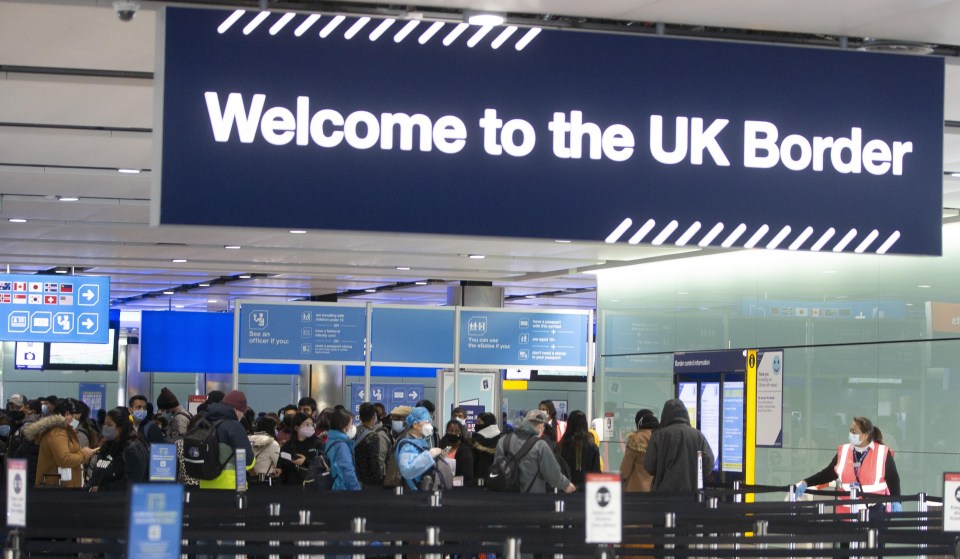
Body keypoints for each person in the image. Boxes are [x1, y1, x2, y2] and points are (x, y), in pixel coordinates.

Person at [794, 416, 902, 514]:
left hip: (874, 511)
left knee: (872, 536)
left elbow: (893, 479)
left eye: (854, 431)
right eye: (850, 430)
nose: (851, 433)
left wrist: (896, 500)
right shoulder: (844, 451)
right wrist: (806, 482)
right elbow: (828, 473)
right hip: (846, 512)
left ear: (865, 435)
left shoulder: (882, 453)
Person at [494, 409, 575, 494]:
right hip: (531, 498)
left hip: (504, 496)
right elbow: (552, 474)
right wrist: (566, 485)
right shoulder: (540, 445)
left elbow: (496, 466)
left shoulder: (503, 440)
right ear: (541, 426)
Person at [644, 399, 714, 492]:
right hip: (691, 495)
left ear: (665, 415)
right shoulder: (697, 435)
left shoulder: (658, 436)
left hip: (663, 496)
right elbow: (708, 463)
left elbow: (649, 466)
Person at [25, 398, 95, 487]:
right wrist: (84, 454)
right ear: (67, 414)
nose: (77, 422)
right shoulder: (57, 432)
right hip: (56, 488)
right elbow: (64, 459)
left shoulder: (65, 431)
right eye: (76, 418)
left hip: (62, 486)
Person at [198, 390, 254, 490]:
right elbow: (247, 461)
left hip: (204, 484)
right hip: (229, 486)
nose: (242, 415)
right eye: (242, 412)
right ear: (237, 410)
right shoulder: (234, 426)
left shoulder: (203, 422)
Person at [86, 407, 148, 492]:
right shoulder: (108, 446)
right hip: (101, 501)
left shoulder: (133, 448)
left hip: (121, 501)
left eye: (110, 425)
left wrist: (102, 489)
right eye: (105, 424)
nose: (105, 427)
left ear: (121, 428)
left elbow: (132, 481)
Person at [396, 407, 444, 491]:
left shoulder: (420, 441)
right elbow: (406, 471)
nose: (430, 426)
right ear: (415, 424)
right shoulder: (407, 445)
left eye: (430, 422)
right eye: (427, 422)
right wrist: (429, 455)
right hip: (411, 492)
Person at [557, 410, 602, 486]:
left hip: (565, 488)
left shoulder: (561, 445)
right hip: (585, 490)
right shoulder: (592, 447)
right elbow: (596, 472)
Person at [279, 412, 325, 486]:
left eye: (312, 424)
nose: (310, 427)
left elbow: (323, 465)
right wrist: (279, 469)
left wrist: (305, 462)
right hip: (290, 486)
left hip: (312, 485)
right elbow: (280, 464)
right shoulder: (287, 446)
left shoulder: (318, 444)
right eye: (306, 424)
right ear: (296, 428)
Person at [621, 409, 659, 492]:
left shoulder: (635, 439)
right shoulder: (662, 439)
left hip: (636, 490)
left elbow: (625, 469)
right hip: (657, 491)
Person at [354, 402, 390, 487]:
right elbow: (375, 462)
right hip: (370, 482)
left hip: (357, 477)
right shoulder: (373, 436)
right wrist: (379, 480)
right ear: (374, 416)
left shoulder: (355, 433)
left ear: (360, 417)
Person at [325, 408, 361, 490]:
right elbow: (348, 471)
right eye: (351, 424)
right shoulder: (341, 445)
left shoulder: (331, 439)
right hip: (342, 488)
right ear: (343, 426)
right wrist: (356, 489)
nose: (353, 427)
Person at [441, 419, 474, 485]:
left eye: (456, 431)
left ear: (461, 433)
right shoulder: (444, 448)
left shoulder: (465, 451)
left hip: (459, 488)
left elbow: (467, 475)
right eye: (451, 431)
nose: (453, 433)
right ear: (446, 432)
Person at [471, 412, 502, 481]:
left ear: (487, 423)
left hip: (480, 474)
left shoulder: (476, 439)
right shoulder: (501, 438)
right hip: (495, 474)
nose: (477, 425)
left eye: (479, 422)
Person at [249, 416, 282, 481]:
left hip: (250, 478)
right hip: (266, 479)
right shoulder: (272, 443)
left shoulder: (248, 440)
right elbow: (278, 464)